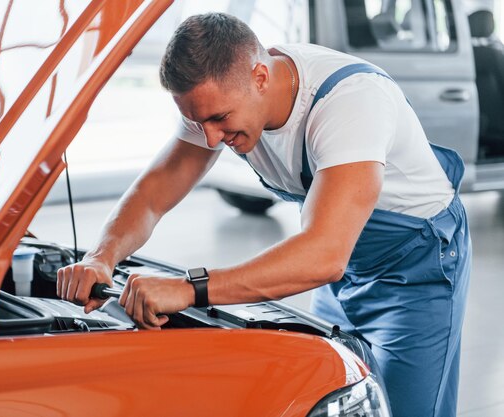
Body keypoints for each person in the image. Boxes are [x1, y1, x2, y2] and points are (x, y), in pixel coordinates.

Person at [57, 12, 471, 417]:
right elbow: (152, 195)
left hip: (417, 265)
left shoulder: (349, 102)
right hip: (345, 265)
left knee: (405, 409)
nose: (211, 138)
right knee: (345, 399)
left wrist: (190, 287)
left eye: (220, 119)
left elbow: (325, 255)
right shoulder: (218, 100)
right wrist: (102, 256)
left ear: (260, 77)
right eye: (197, 122)